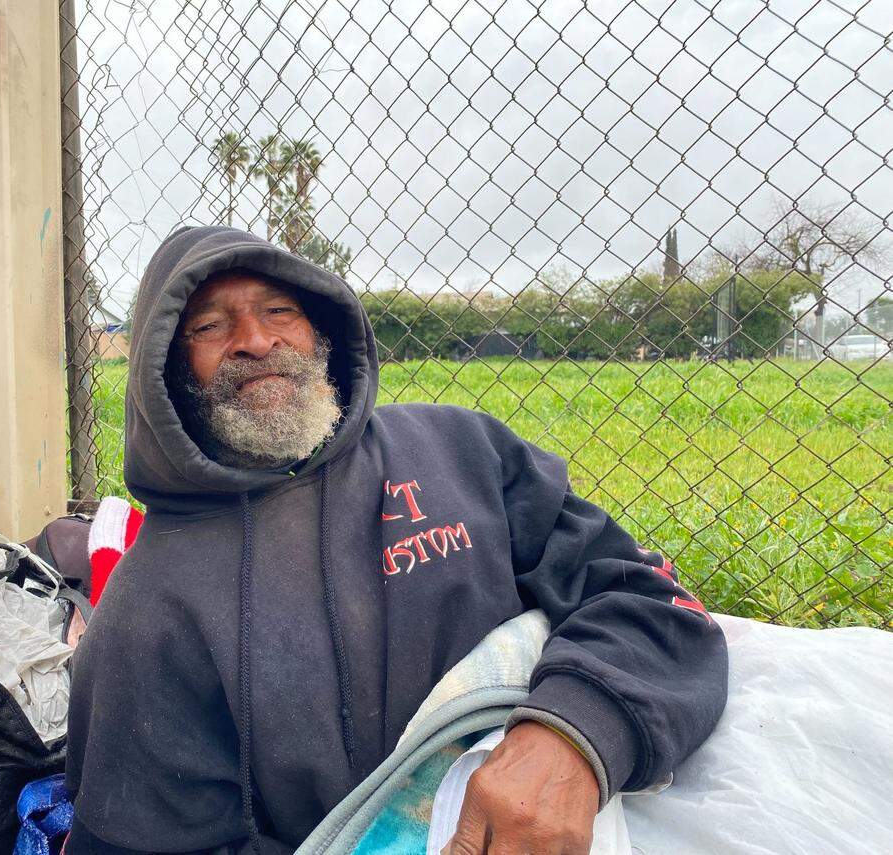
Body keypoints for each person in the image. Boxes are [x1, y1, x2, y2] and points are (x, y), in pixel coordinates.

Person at [64, 225, 728, 854]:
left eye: (280, 310)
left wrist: (573, 738)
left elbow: (648, 601)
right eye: (210, 325)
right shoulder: (145, 614)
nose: (256, 340)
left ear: (322, 329)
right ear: (167, 371)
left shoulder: (465, 452)